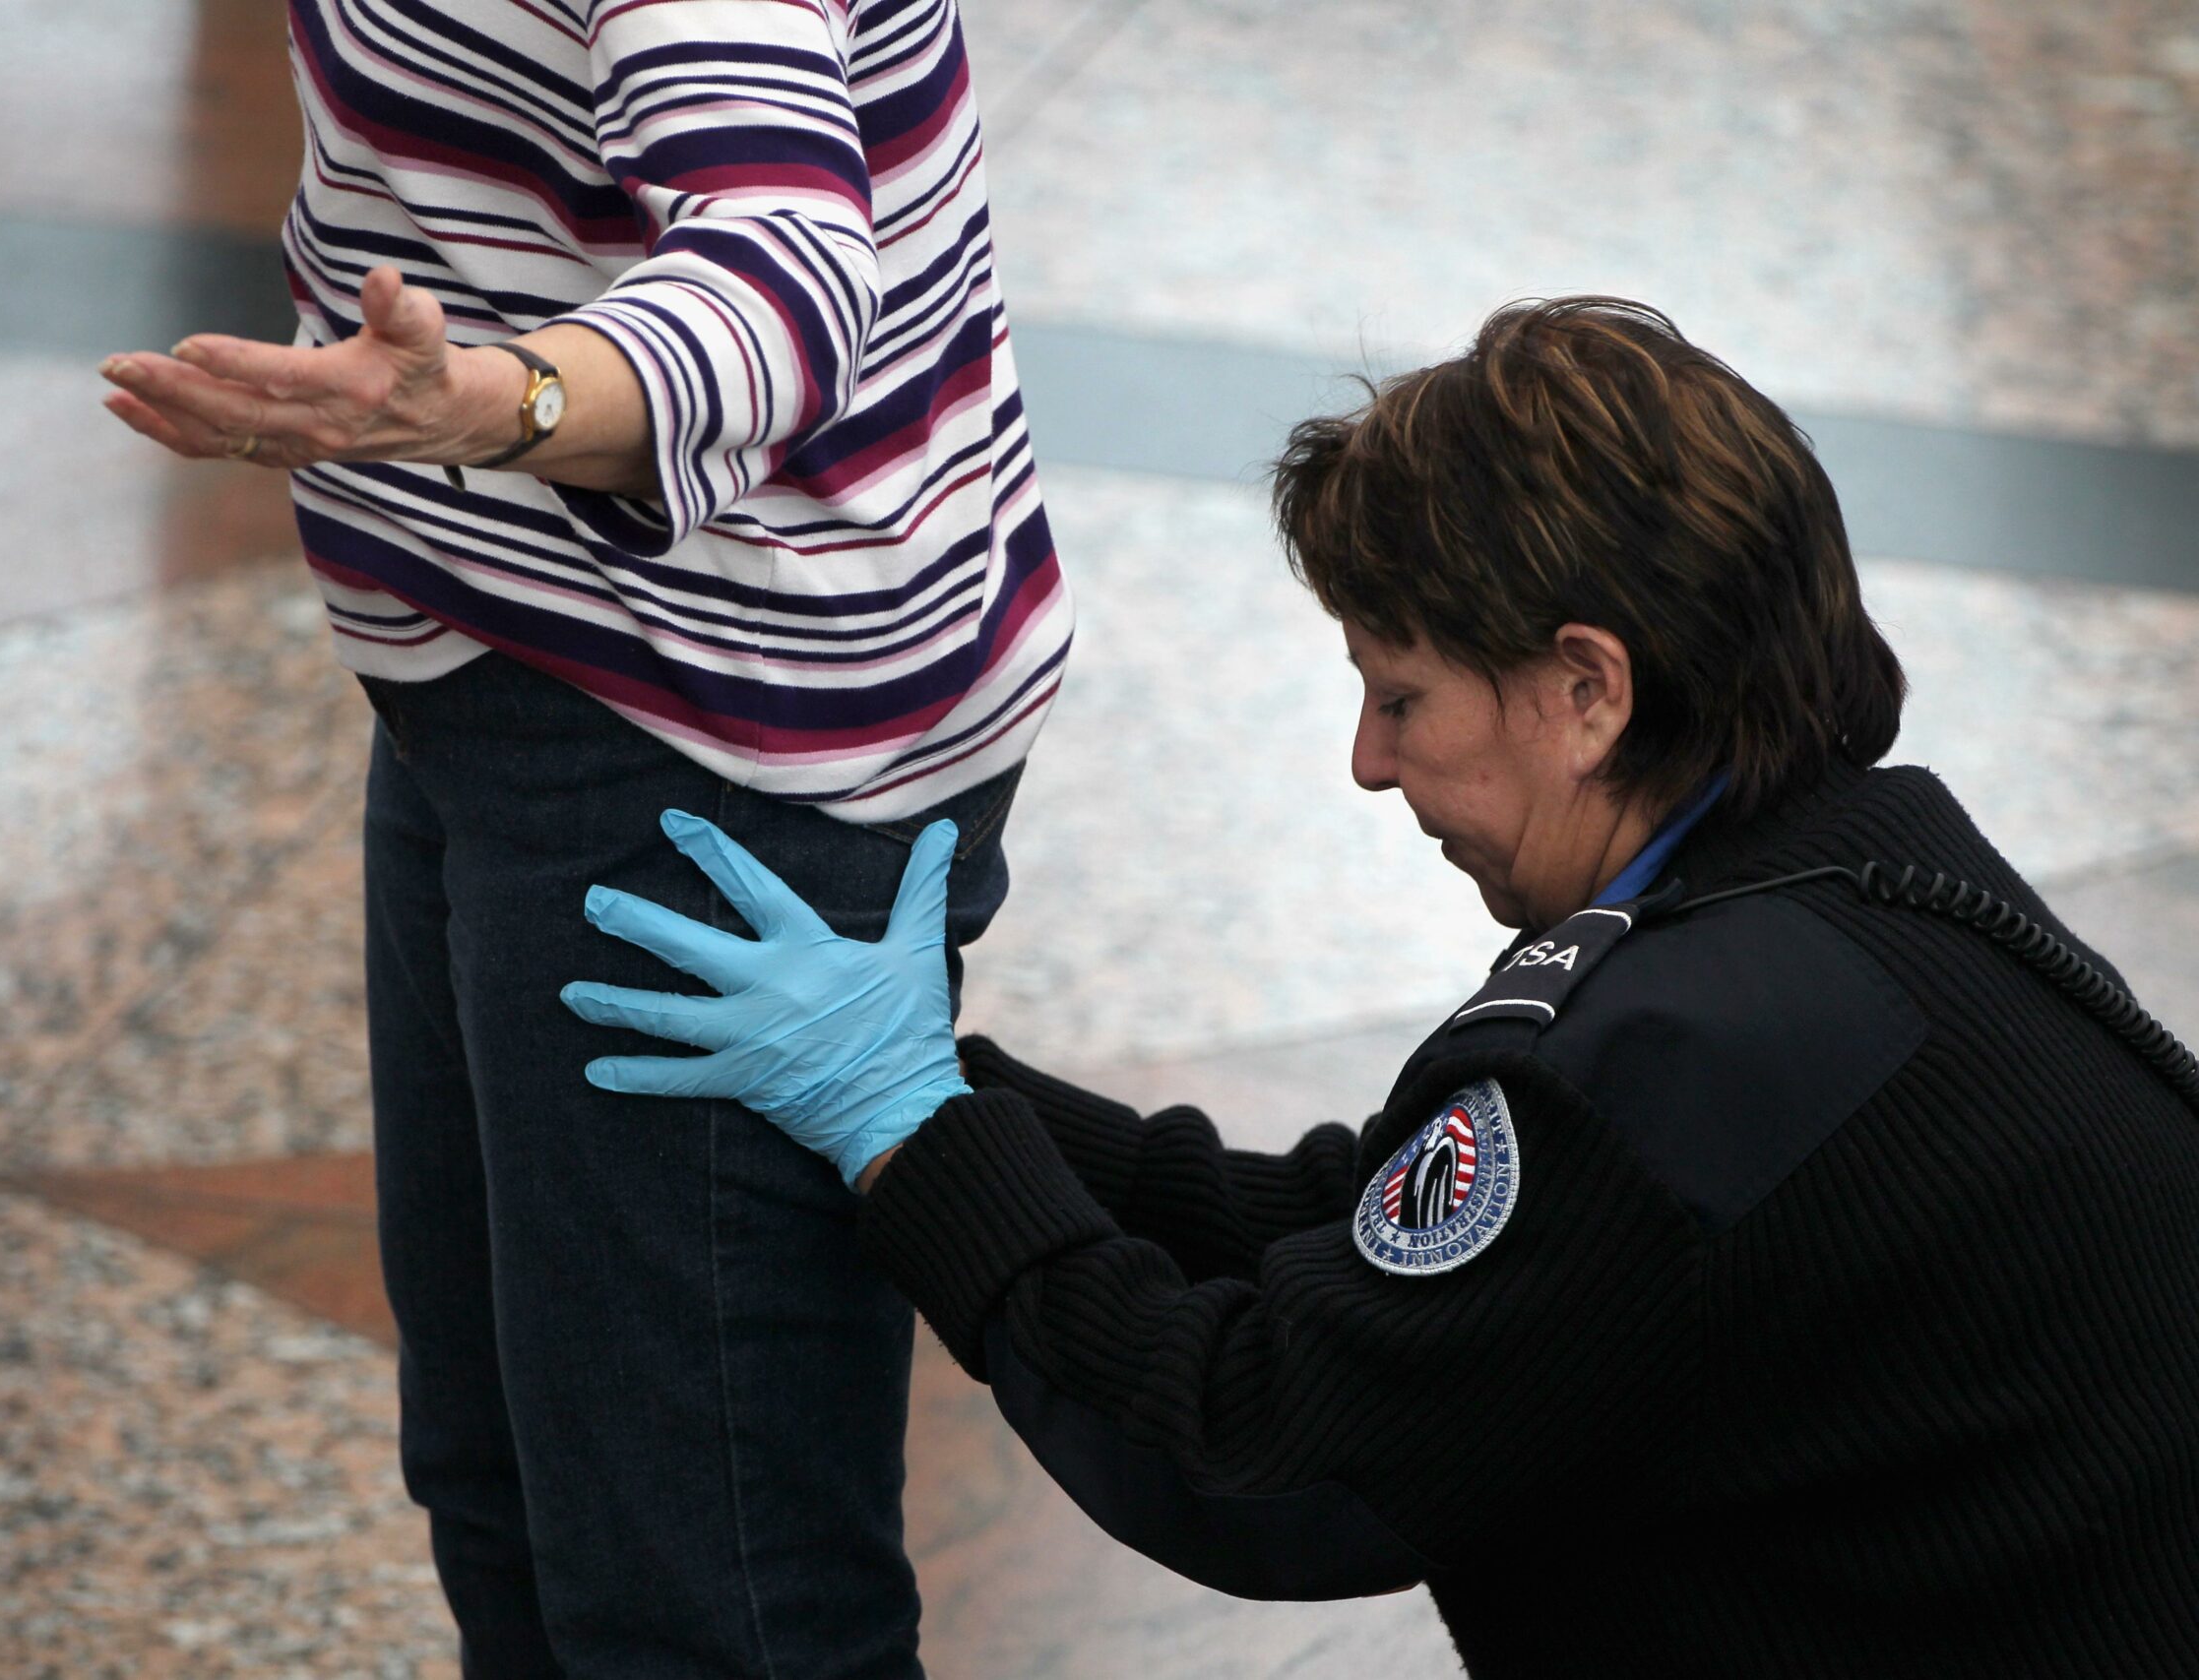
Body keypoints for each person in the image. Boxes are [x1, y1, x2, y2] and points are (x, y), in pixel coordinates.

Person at [562, 298, 2199, 1675]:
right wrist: (956, 1098)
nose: (1367, 760)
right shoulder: (1855, 886)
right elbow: (1385, 1240)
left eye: (1402, 695)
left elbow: (1267, 1455)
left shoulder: (1690, 1054)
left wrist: (911, 1137)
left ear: (1586, 689)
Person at [97, 1, 1071, 1673]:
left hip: (715, 754)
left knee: (706, 1596)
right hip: (501, 660)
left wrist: (491, 404)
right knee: (511, 1491)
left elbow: (782, 284)